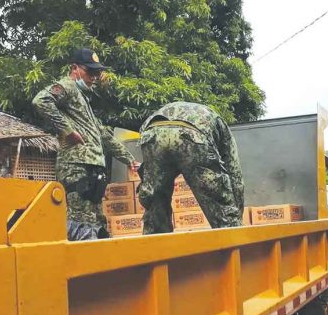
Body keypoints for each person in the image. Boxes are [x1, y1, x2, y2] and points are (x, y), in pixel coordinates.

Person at [33, 48, 139, 240]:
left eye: (97, 73)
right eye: (90, 72)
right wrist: (67, 130)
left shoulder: (84, 100)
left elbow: (103, 136)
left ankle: (98, 265)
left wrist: (129, 159)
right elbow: (41, 100)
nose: (95, 77)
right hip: (76, 168)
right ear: (74, 68)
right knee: (80, 223)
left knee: (96, 222)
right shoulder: (68, 86)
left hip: (91, 171)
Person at [138, 101, 244, 234]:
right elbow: (235, 173)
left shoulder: (175, 110)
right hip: (193, 135)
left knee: (155, 202)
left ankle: (156, 248)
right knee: (221, 208)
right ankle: (234, 241)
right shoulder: (218, 123)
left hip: (151, 134)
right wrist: (236, 213)